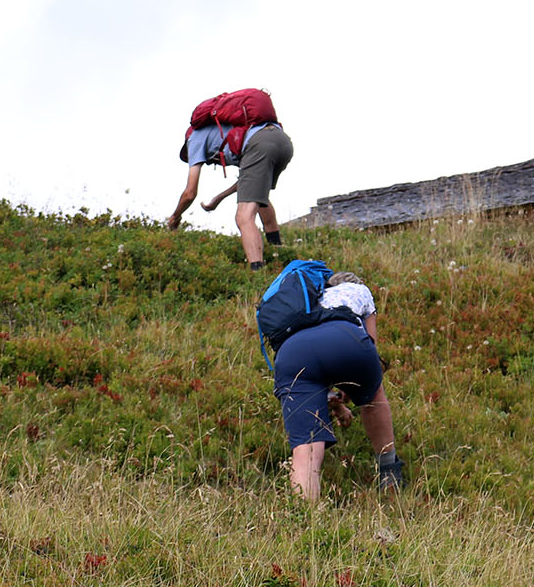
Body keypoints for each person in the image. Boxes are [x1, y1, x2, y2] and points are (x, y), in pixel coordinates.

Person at [271, 271, 405, 501]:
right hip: (346, 338)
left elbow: (317, 371)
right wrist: (355, 387)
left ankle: (303, 515)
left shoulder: (310, 301)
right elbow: (370, 348)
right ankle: (388, 470)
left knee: (306, 449)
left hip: (291, 353)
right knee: (374, 395)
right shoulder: (360, 291)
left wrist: (335, 401)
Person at [167, 117, 294, 270]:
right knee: (257, 195)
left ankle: (258, 272)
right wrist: (219, 198)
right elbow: (247, 182)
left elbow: (190, 193)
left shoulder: (194, 140)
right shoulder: (228, 134)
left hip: (260, 144)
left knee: (243, 216)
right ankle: (278, 251)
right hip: (282, 141)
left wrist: (175, 216)